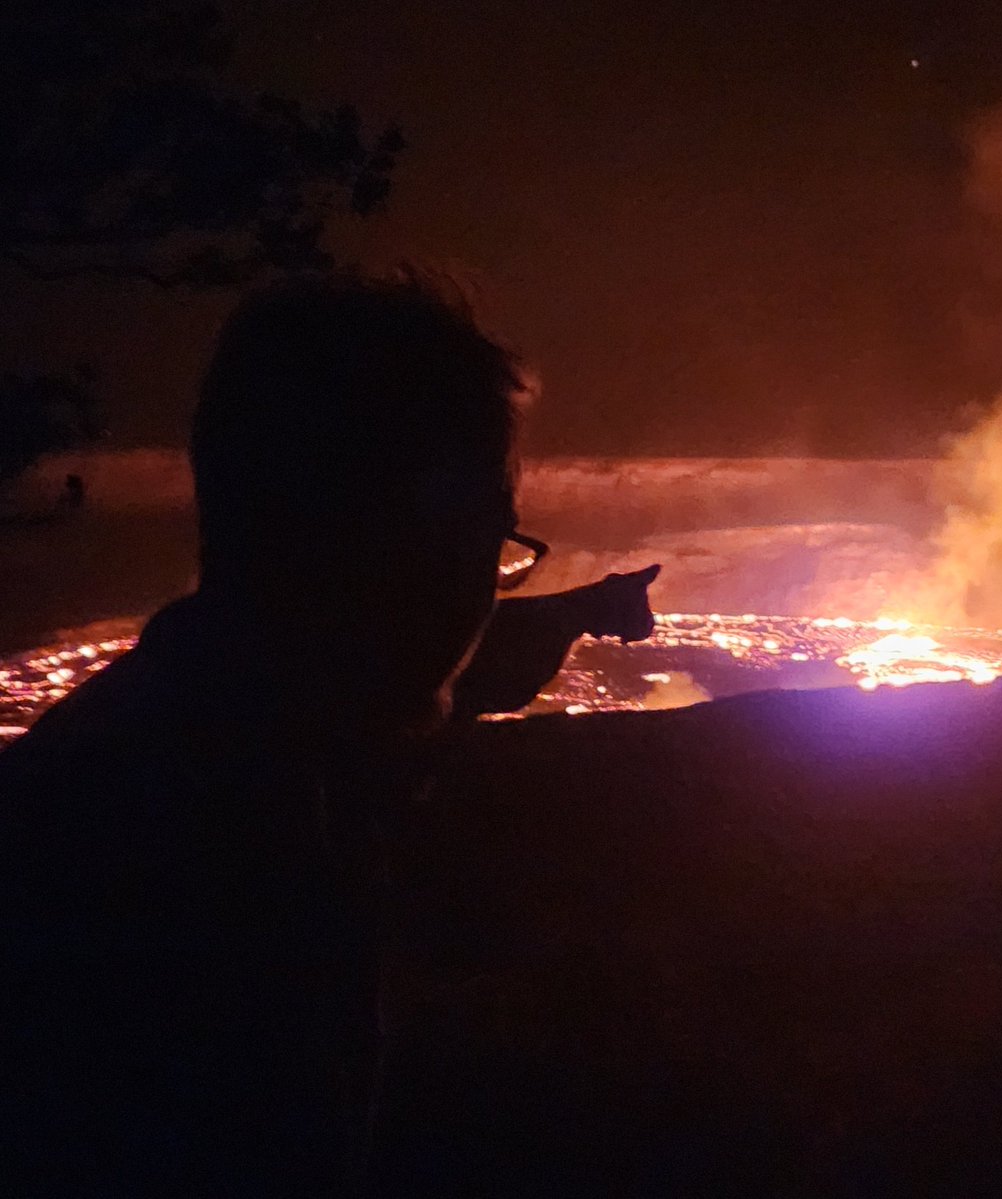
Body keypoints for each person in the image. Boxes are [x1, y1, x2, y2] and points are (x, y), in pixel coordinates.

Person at [0, 272, 657, 1195]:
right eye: (487, 540)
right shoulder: (197, 868)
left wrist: (568, 618)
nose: (478, 590)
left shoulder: (164, 769)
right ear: (400, 539)